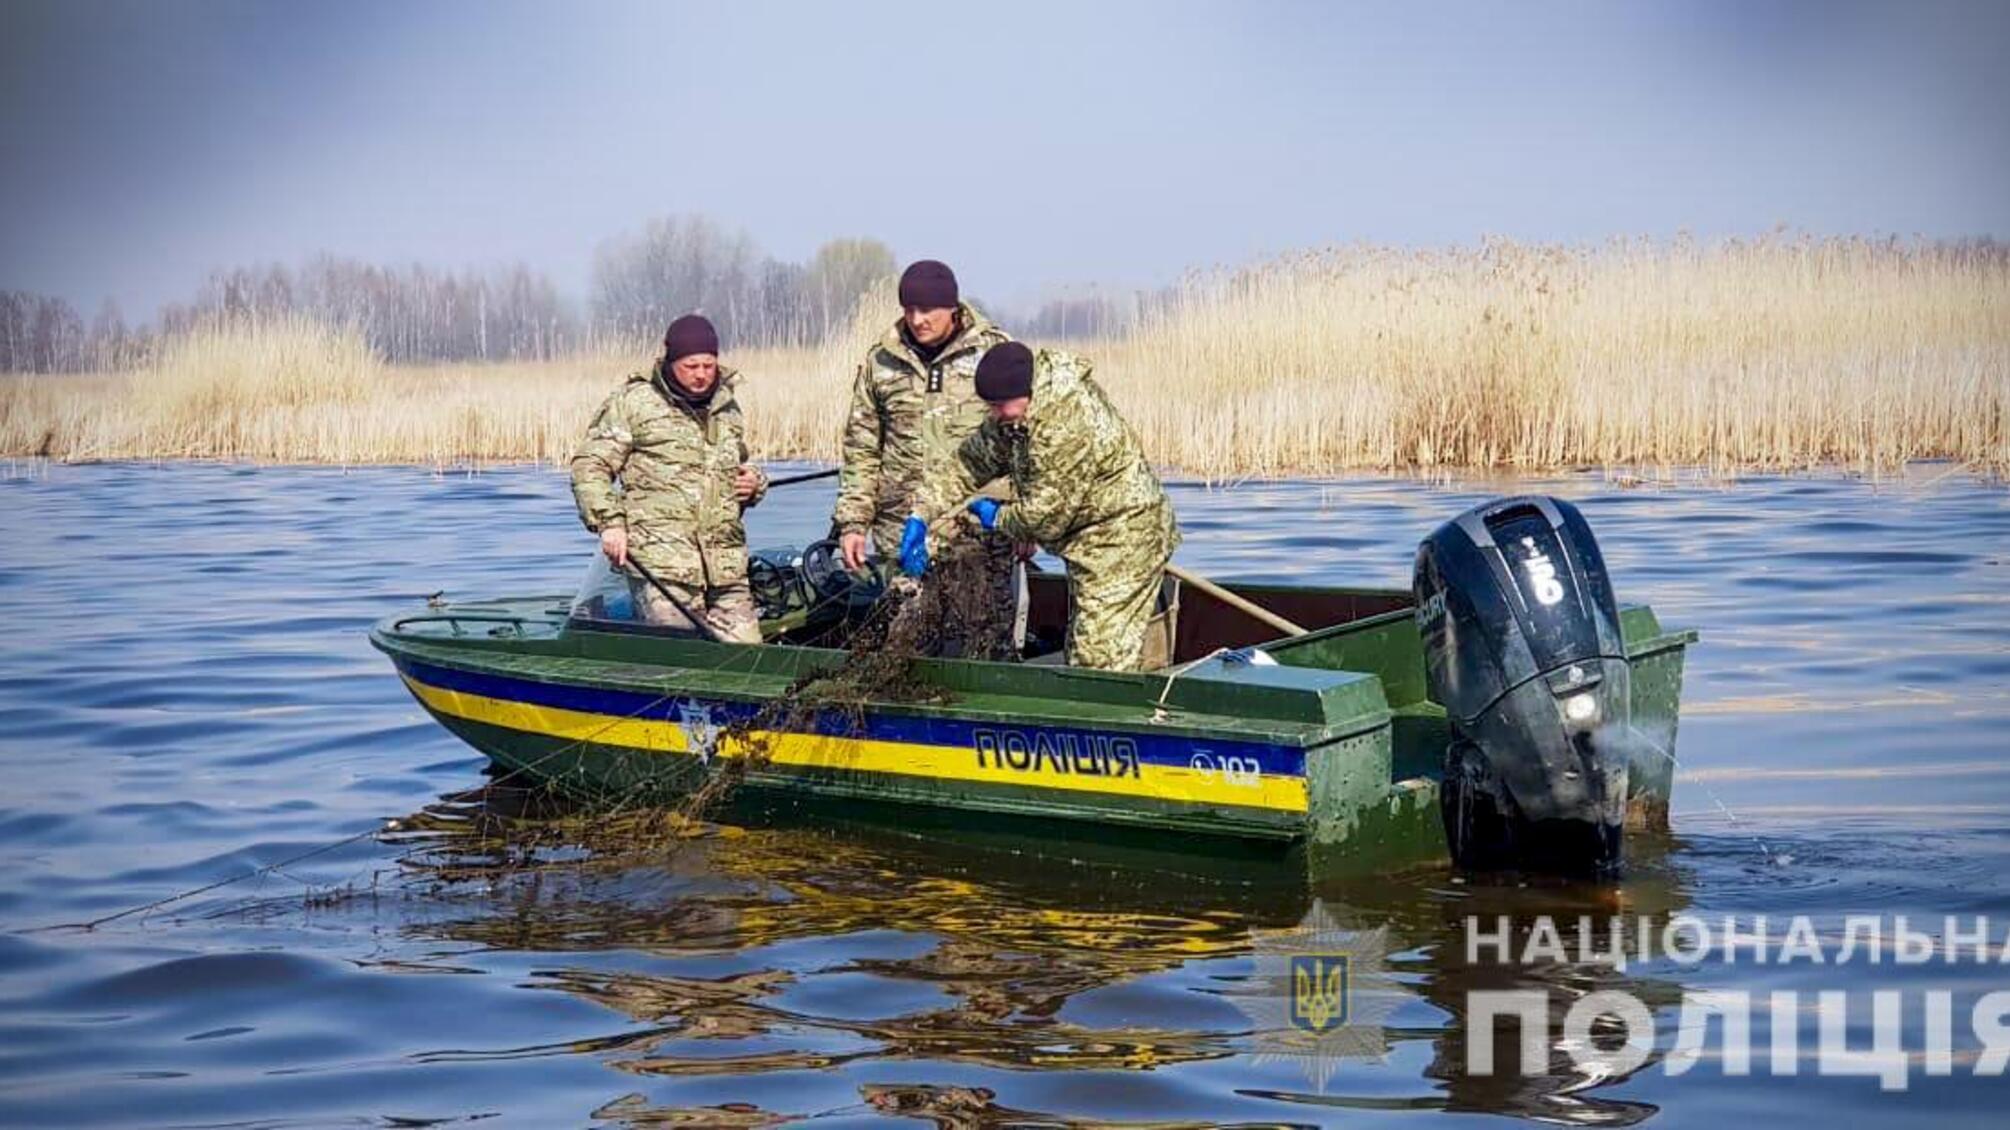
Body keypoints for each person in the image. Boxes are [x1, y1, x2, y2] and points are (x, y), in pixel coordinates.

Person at [902, 342, 1179, 672]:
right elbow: (968, 463)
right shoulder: (1016, 414)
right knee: (1085, 647)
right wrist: (920, 515)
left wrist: (997, 517)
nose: (993, 414)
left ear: (1024, 392)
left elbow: (1045, 518)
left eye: (998, 406)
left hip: (1125, 536)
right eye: (989, 406)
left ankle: (1107, 721)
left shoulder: (1066, 422)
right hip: (1086, 542)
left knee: (1099, 661)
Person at [570, 313, 768, 643]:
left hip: (725, 564)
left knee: (747, 658)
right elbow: (589, 466)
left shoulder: (727, 407)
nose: (702, 375)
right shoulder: (635, 403)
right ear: (671, 360)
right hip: (661, 567)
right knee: (680, 658)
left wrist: (754, 484)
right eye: (692, 367)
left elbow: (737, 466)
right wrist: (610, 523)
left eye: (709, 365)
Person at [831, 259, 1013, 572]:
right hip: (900, 534)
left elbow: (1022, 441)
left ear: (952, 308)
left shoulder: (994, 354)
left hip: (976, 531)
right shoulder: (882, 362)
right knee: (903, 618)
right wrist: (853, 525)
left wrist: (1022, 517)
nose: (917, 320)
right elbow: (861, 451)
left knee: (981, 617)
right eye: (909, 309)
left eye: (928, 311)